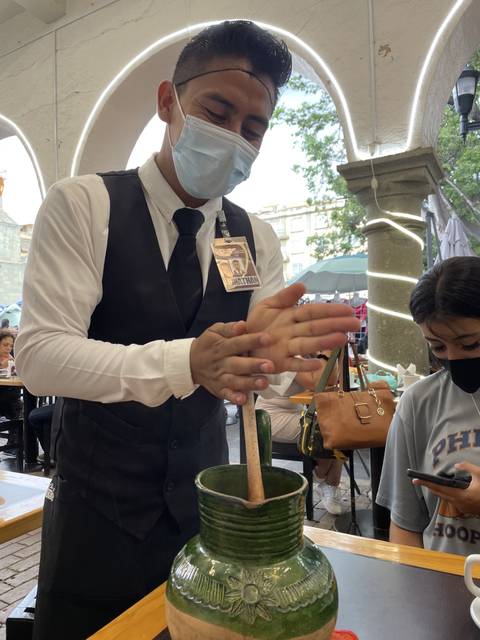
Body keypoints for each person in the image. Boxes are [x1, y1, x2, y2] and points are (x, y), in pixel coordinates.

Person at [15, 21, 359, 639]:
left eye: (252, 128)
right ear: (168, 101)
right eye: (217, 112)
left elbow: (259, 374)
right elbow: (40, 356)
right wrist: (186, 362)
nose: (234, 137)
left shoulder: (254, 237)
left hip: (210, 517)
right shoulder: (84, 206)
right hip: (98, 515)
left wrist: (271, 359)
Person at [377, 256, 480, 554]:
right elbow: (405, 523)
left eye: (470, 344)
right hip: (442, 586)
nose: (453, 357)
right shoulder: (418, 402)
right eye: (437, 346)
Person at [256, 353, 347, 515]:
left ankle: (327, 481)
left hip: (294, 413)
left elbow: (333, 381)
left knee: (337, 426)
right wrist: (328, 352)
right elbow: (324, 381)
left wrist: (336, 353)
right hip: (270, 418)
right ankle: (322, 479)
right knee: (328, 429)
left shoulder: (307, 357)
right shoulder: (289, 356)